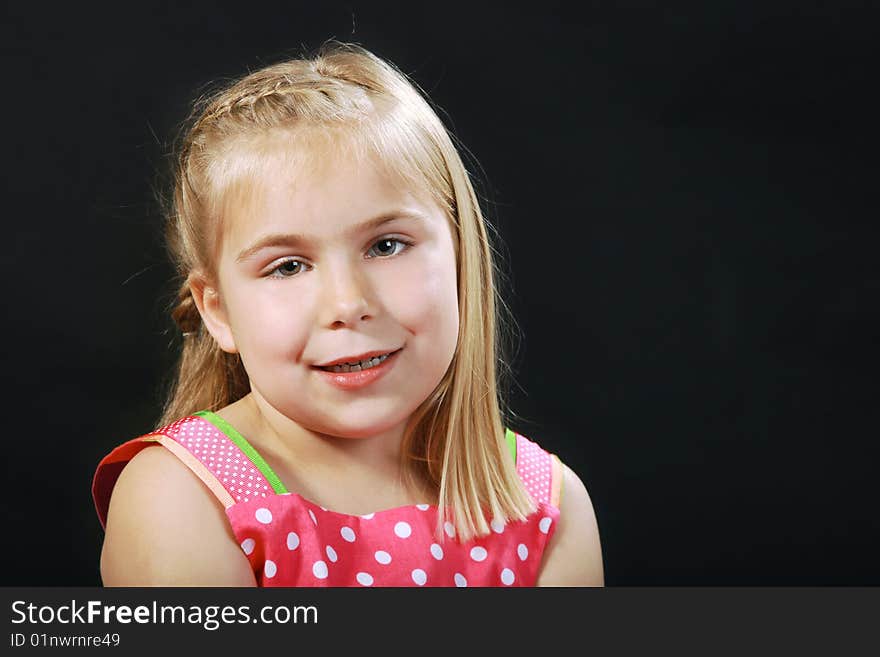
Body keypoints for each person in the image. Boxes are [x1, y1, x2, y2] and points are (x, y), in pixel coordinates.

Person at [92, 41, 604, 587]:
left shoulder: (545, 504)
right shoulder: (180, 496)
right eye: (287, 267)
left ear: (461, 258)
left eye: (386, 246)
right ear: (217, 312)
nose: (348, 305)